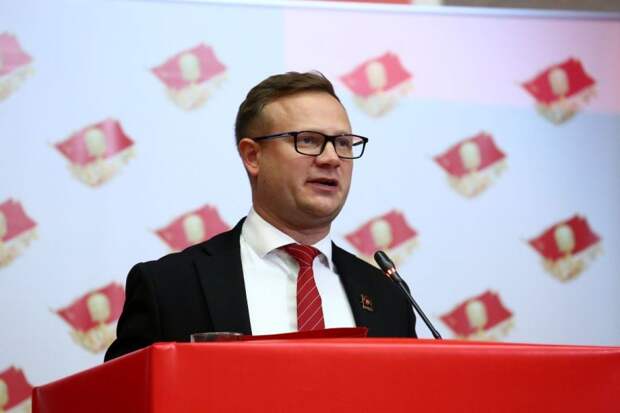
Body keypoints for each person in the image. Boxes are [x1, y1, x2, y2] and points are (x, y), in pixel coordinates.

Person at [104, 71, 416, 361]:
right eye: (308, 140)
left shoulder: (389, 297)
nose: (332, 158)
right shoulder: (169, 287)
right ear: (253, 156)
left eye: (344, 143)